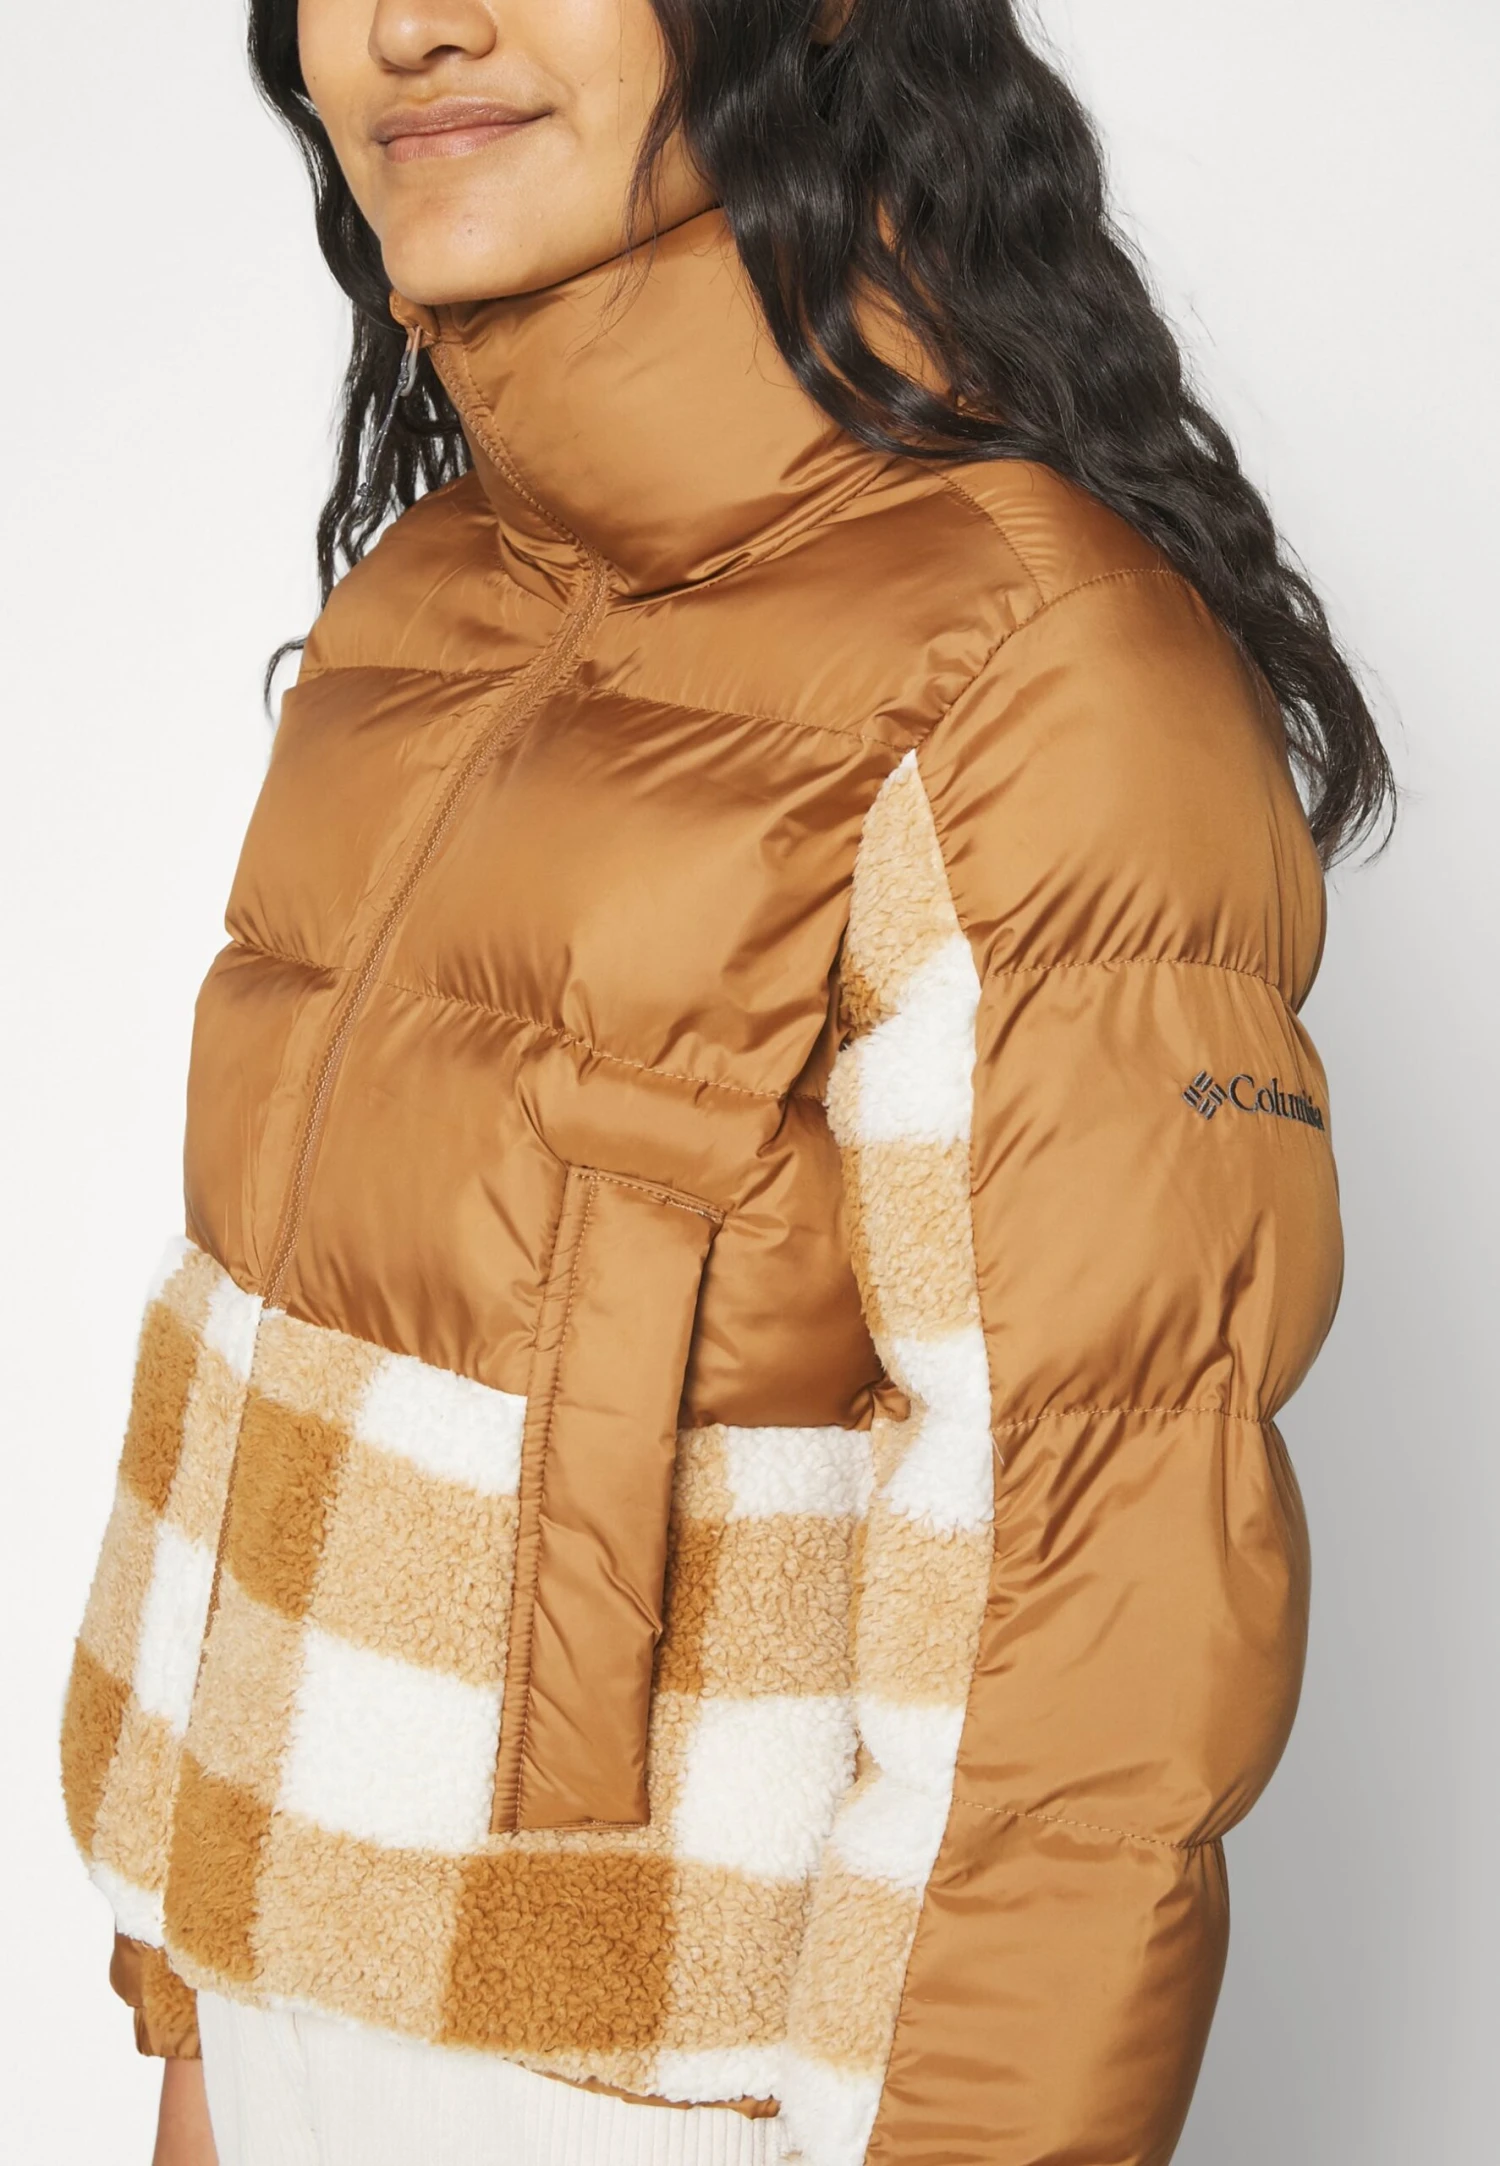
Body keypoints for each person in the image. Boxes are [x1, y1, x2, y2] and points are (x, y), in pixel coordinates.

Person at [60, 3, 1391, 2162]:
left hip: (694, 2104)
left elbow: (1082, 1661)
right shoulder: (426, 603)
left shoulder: (1034, 672)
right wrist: (198, 2015)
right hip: (292, 2040)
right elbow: (262, 1379)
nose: (409, 27)